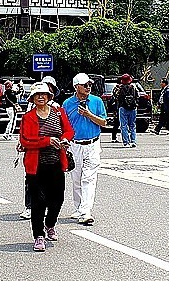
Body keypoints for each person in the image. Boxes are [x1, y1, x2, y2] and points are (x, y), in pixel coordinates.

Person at [19, 82, 74, 251]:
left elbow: (69, 131)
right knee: (38, 202)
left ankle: (50, 224)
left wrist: (64, 139)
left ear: (49, 97)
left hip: (57, 163)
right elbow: (25, 141)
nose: (41, 97)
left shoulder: (59, 113)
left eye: (44, 94)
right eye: (37, 95)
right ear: (33, 98)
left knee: (57, 199)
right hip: (36, 166)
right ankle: (39, 236)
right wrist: (47, 141)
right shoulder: (28, 117)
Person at [62, 72, 107, 226]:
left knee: (89, 178)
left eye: (90, 84)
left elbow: (103, 122)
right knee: (76, 179)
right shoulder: (68, 104)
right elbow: (64, 125)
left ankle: (86, 211)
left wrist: (89, 114)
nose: (88, 87)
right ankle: (79, 207)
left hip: (93, 144)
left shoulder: (96, 101)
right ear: (76, 87)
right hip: (75, 145)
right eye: (85, 85)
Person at [114, 73, 139, 148]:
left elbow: (116, 96)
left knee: (123, 125)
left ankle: (126, 142)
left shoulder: (119, 89)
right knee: (132, 125)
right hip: (133, 108)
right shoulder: (134, 88)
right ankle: (133, 141)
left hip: (123, 108)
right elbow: (137, 97)